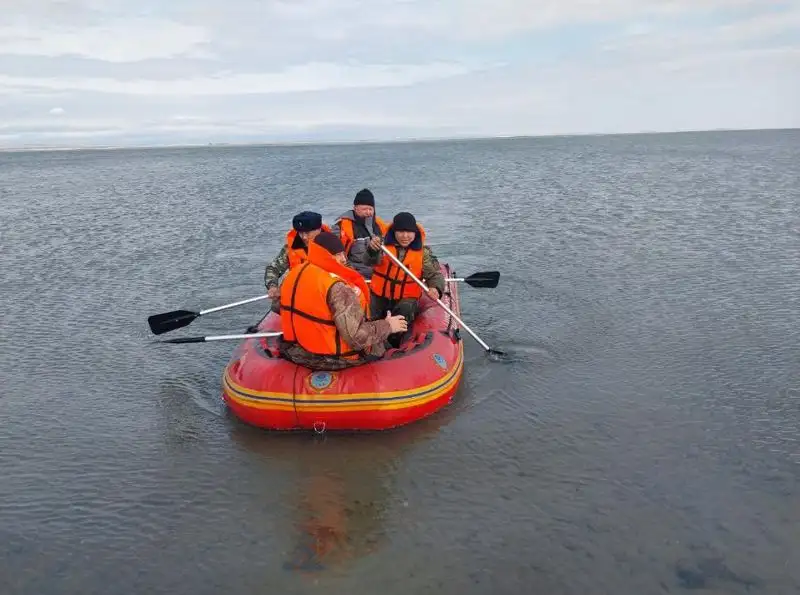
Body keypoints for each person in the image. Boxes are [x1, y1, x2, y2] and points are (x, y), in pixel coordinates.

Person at [277, 232, 408, 370]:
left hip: (299, 350)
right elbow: (356, 338)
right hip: (334, 358)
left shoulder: (293, 273)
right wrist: (388, 325)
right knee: (385, 347)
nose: (344, 259)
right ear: (325, 255)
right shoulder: (337, 287)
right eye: (337, 254)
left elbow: (277, 306)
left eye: (342, 253)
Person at [367, 211, 445, 347]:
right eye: (401, 231)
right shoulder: (381, 245)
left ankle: (394, 342)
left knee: (405, 309)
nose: (405, 236)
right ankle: (371, 341)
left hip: (406, 298)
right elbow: (369, 261)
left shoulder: (423, 253)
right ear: (394, 231)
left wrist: (436, 288)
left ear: (415, 233)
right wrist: (372, 250)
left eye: (409, 232)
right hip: (379, 294)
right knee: (367, 312)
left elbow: (434, 275)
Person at [263, 211, 331, 313]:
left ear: (319, 229)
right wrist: (272, 286)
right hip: (298, 294)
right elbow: (273, 268)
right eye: (300, 233)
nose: (304, 237)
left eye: (307, 233)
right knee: (277, 306)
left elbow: (345, 267)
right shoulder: (290, 249)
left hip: (326, 292)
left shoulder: (333, 245)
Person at [331, 188, 389, 278]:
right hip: (355, 275)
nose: (368, 212)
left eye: (371, 209)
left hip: (379, 274)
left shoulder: (380, 225)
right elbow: (334, 255)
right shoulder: (340, 227)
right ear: (355, 208)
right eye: (364, 209)